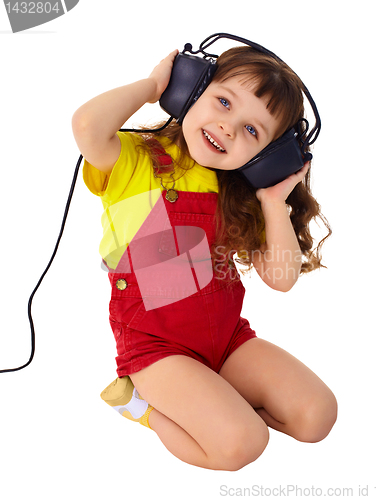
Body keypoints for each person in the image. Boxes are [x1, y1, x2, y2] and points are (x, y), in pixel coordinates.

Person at [72, 44, 337, 471]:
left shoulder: (240, 194)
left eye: (253, 131)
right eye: (224, 101)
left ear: (268, 155)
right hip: (158, 348)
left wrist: (273, 201)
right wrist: (152, 86)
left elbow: (283, 277)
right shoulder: (135, 160)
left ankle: (212, 402)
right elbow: (87, 125)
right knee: (242, 446)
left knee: (316, 417)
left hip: (226, 341)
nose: (229, 127)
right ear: (190, 89)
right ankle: (144, 407)